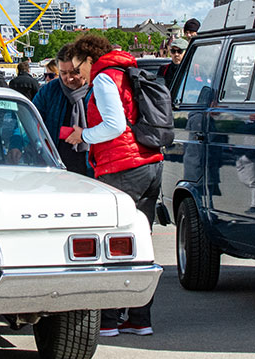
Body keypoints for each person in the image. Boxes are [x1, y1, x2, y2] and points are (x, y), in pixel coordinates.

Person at [64, 34, 163, 337]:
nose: (77, 73)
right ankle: (139, 317)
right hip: (149, 161)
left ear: (88, 58)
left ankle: (108, 319)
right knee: (141, 241)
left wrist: (83, 135)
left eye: (78, 65)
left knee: (111, 242)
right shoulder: (127, 71)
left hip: (121, 166)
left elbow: (114, 125)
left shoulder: (105, 79)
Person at [31, 44, 92, 176]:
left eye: (74, 72)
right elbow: (30, 120)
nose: (68, 78)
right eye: (63, 73)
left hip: (91, 167)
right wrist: (16, 143)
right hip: (56, 165)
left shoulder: (97, 90)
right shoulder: (49, 91)